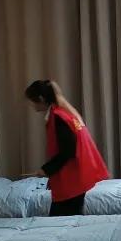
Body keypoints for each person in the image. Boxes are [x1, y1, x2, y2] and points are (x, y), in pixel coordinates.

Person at [24, 80, 109, 216]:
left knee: (59, 221)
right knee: (68, 219)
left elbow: (68, 150)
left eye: (32, 102)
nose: (31, 105)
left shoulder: (58, 117)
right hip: (76, 177)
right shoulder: (62, 113)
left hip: (71, 181)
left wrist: (46, 169)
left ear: (40, 98)